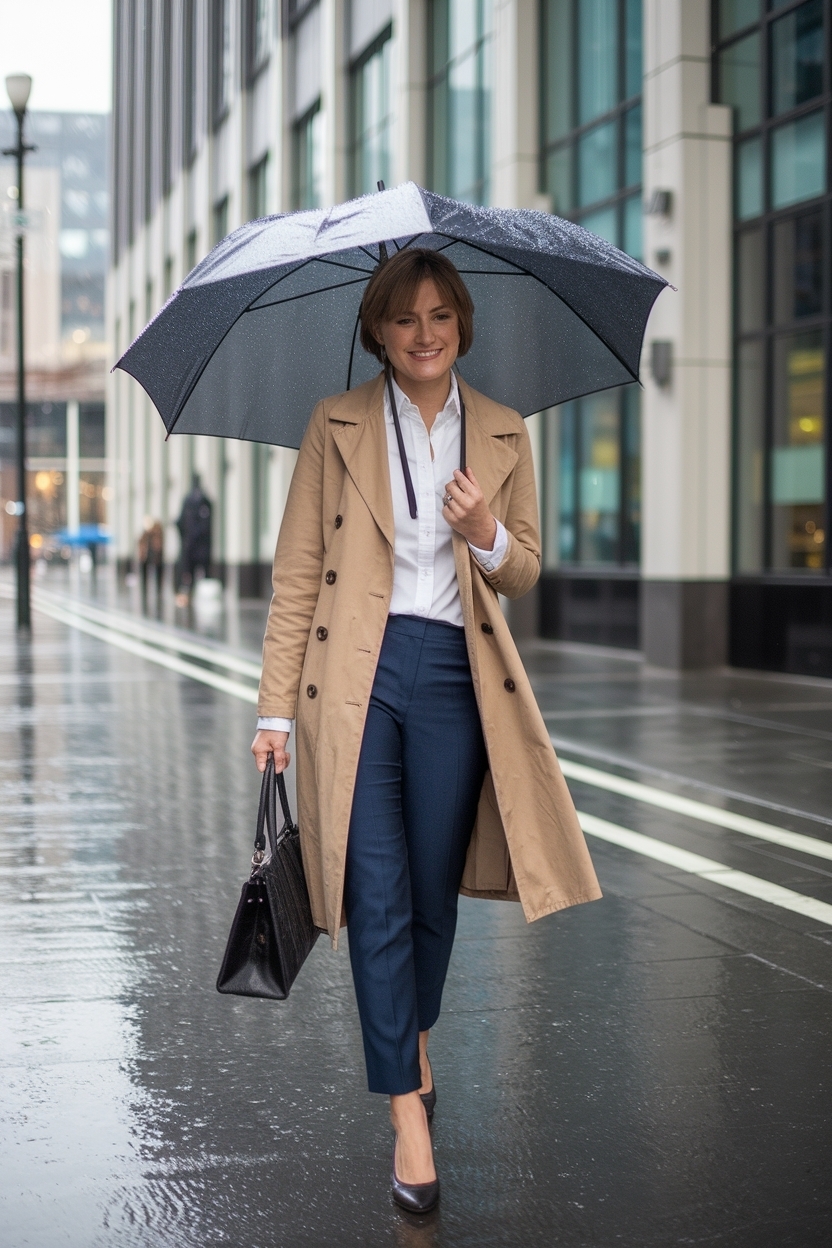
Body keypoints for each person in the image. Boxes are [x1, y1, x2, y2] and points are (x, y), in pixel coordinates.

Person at [251, 248, 601, 1213]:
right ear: (377, 328)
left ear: (463, 324)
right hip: (355, 675)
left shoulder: (501, 430)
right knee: (374, 885)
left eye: (441, 314)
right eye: (404, 317)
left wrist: (486, 528)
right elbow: (295, 574)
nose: (425, 332)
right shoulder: (335, 423)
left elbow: (523, 569)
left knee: (433, 887)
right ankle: (407, 1109)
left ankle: (413, 1034)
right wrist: (275, 709)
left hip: (456, 674)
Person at [176, 476, 212, 599]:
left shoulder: (189, 500)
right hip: (202, 548)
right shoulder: (205, 501)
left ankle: (190, 596)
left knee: (189, 575)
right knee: (202, 575)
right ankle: (199, 596)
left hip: (191, 546)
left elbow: (181, 522)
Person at [138, 517, 164, 606]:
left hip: (155, 557)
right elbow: (141, 543)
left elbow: (158, 545)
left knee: (158, 574)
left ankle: (158, 590)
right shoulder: (145, 534)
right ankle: (145, 590)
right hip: (146, 557)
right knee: (145, 574)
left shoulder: (157, 533)